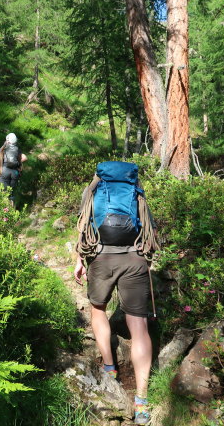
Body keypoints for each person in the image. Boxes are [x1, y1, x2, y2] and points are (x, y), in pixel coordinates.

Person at [74, 164, 157, 425]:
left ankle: (110, 369)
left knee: (98, 309)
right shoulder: (137, 192)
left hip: (101, 256)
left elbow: (84, 225)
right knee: (139, 325)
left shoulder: (93, 190)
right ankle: (142, 400)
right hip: (134, 258)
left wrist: (79, 260)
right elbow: (149, 230)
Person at [0, 133, 28, 202]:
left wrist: (1, 161)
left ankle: (4, 210)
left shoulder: (2, 149)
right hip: (15, 172)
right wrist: (18, 163)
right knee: (11, 193)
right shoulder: (17, 150)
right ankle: (12, 210)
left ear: (6, 140)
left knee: (3, 192)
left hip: (4, 170)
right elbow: (25, 158)